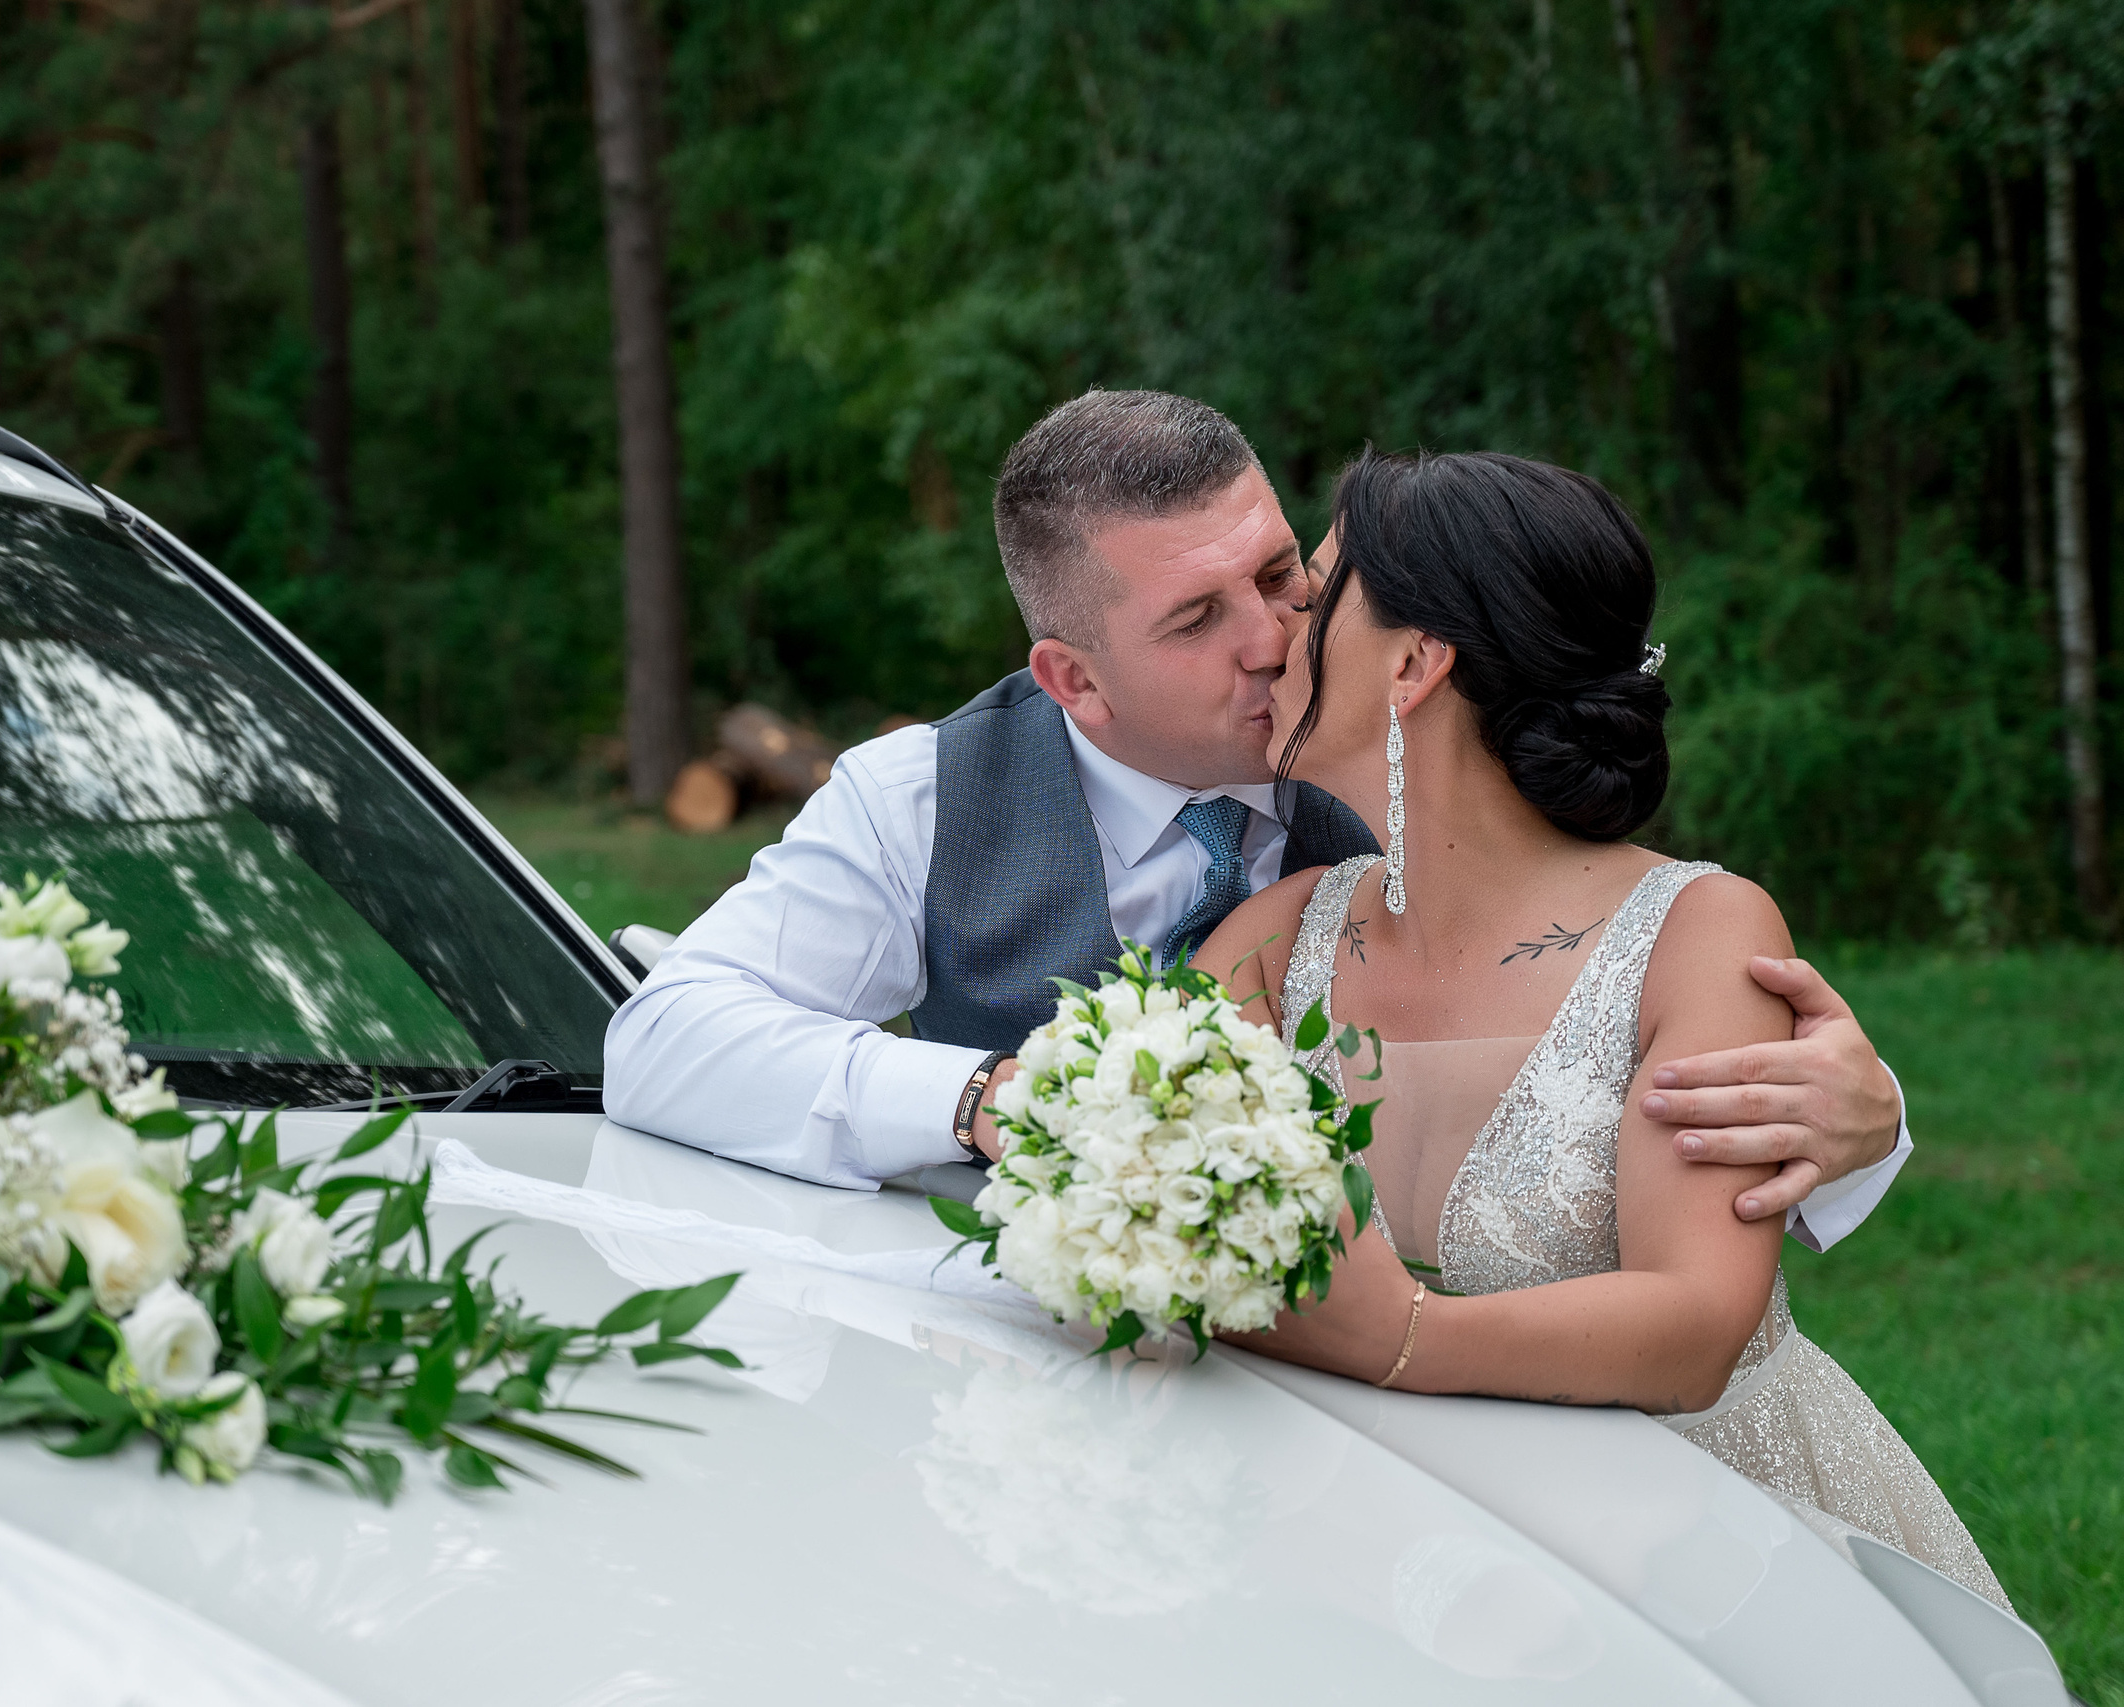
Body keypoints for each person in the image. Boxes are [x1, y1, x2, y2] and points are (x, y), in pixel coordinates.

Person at [604, 390, 1907, 1243]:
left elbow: (1594, 998)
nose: (1275, 637)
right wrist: (984, 1097)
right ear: (1075, 679)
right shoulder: (928, 796)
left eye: (1282, 574)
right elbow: (663, 1041)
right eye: (1194, 618)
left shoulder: (1396, 751)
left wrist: (1863, 1132)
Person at [1189, 446, 2004, 1605]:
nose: (1275, 632)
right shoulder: (1272, 938)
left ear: (1416, 664)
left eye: (1314, 595)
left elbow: (1691, 1326)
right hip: (1383, 1542)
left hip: (1706, 1550)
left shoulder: (1699, 934)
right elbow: (1137, 1164)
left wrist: (1395, 1335)